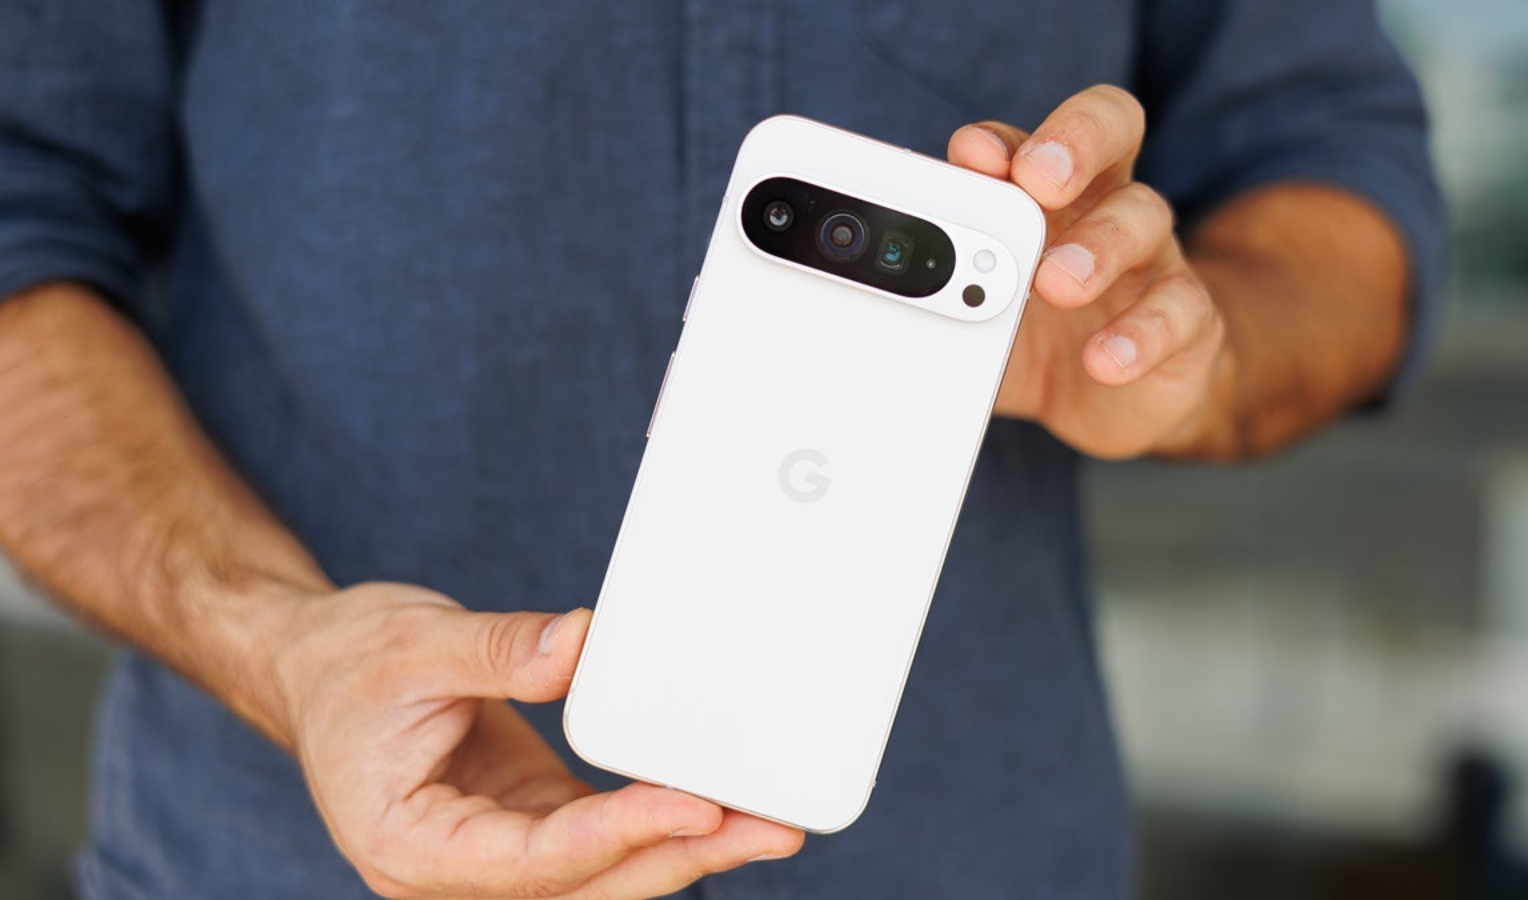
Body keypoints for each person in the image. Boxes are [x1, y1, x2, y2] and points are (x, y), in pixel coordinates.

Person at [0, 2, 1441, 898]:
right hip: (279, 853)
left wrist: (1186, 367)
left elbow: (1334, 164)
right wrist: (273, 643)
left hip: (975, 853)